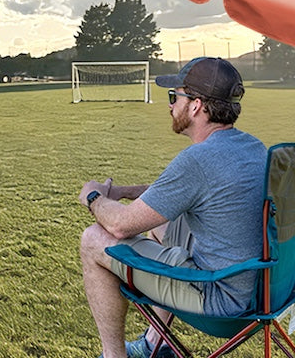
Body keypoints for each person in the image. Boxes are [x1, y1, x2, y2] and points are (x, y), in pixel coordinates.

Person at [77, 57, 266, 358]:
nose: (170, 106)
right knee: (161, 222)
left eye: (174, 97)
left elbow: (119, 226)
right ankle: (156, 343)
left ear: (196, 106)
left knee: (93, 240)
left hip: (221, 299)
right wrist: (124, 191)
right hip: (260, 287)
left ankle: (114, 355)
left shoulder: (198, 160)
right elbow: (172, 195)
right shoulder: (251, 147)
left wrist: (93, 197)